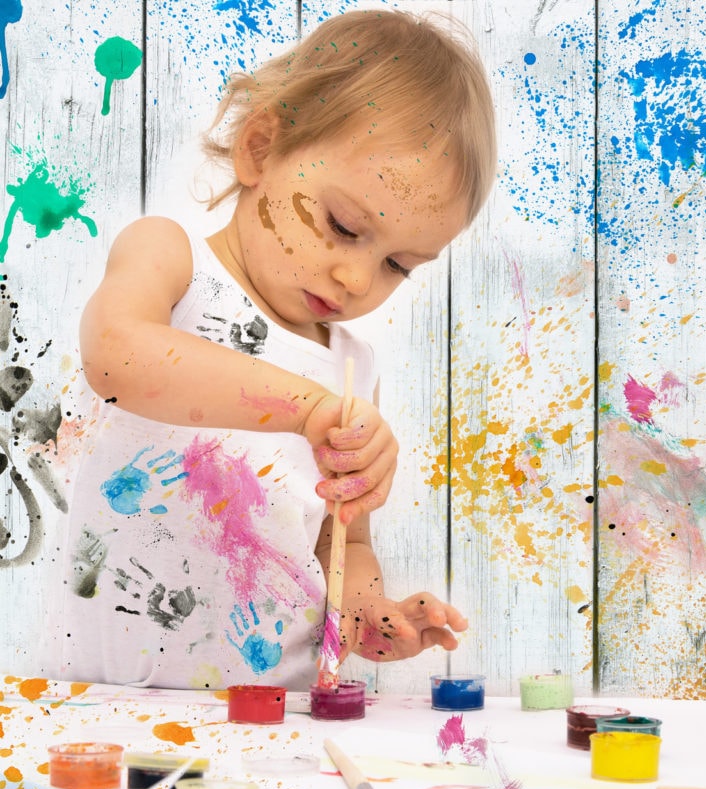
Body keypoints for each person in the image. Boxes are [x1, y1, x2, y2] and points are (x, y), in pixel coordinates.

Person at [46, 9, 496, 690]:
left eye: (398, 264)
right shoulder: (172, 260)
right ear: (260, 148)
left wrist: (371, 612)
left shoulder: (352, 369)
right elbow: (116, 356)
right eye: (343, 226)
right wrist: (306, 407)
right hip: (100, 704)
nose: (356, 278)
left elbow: (341, 543)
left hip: (268, 718)